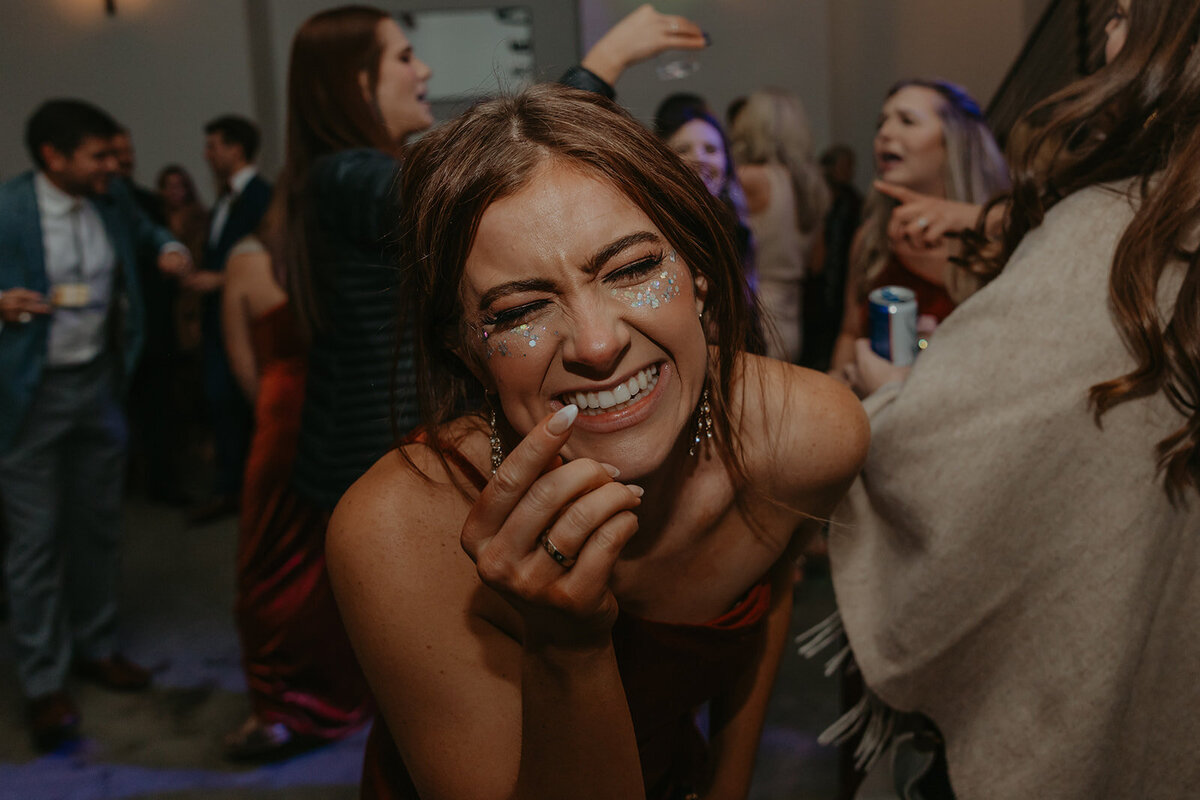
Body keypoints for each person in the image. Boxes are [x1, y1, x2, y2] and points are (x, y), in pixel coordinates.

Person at [326, 83, 869, 800]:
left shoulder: (807, 435)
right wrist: (567, 646)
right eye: (520, 309)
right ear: (465, 351)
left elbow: (766, 601)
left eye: (634, 269)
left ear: (701, 274)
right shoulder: (397, 530)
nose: (597, 343)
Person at [830, 0, 1200, 796]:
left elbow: (948, 457)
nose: (1109, 29)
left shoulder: (1114, 241)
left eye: (1128, 11)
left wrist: (893, 398)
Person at [283, 3, 711, 515]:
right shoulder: (344, 175)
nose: (424, 70)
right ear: (356, 84)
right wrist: (603, 64)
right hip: (364, 453)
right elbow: (480, 193)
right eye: (403, 56)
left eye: (633, 269)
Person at [0, 99, 190, 751]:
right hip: (28, 396)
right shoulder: (9, 209)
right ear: (54, 157)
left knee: (100, 526)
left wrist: (167, 246)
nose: (114, 165)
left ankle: (96, 646)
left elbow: (146, 233)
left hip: (100, 386)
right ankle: (45, 683)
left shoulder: (111, 203)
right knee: (35, 542)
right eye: (99, 156)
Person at [218, 216, 372, 759]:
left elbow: (243, 364)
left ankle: (287, 707)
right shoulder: (355, 252)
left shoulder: (249, 260)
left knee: (275, 564)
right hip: (348, 419)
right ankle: (339, 695)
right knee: (338, 558)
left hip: (286, 418)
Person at [829, 79, 1008, 377]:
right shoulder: (869, 239)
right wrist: (836, 384)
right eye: (881, 123)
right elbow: (850, 332)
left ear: (955, 142)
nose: (885, 133)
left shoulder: (998, 238)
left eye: (907, 121)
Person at [188, 114, 272, 523]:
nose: (207, 155)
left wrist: (219, 279)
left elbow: (271, 261)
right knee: (222, 406)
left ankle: (244, 493)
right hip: (218, 323)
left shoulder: (261, 196)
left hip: (243, 321)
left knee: (241, 405)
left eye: (213, 146)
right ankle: (234, 489)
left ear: (236, 149)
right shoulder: (224, 198)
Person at [730, 88, 830, 364]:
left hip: (756, 314)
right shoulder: (813, 185)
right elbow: (817, 263)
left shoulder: (750, 179)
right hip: (793, 316)